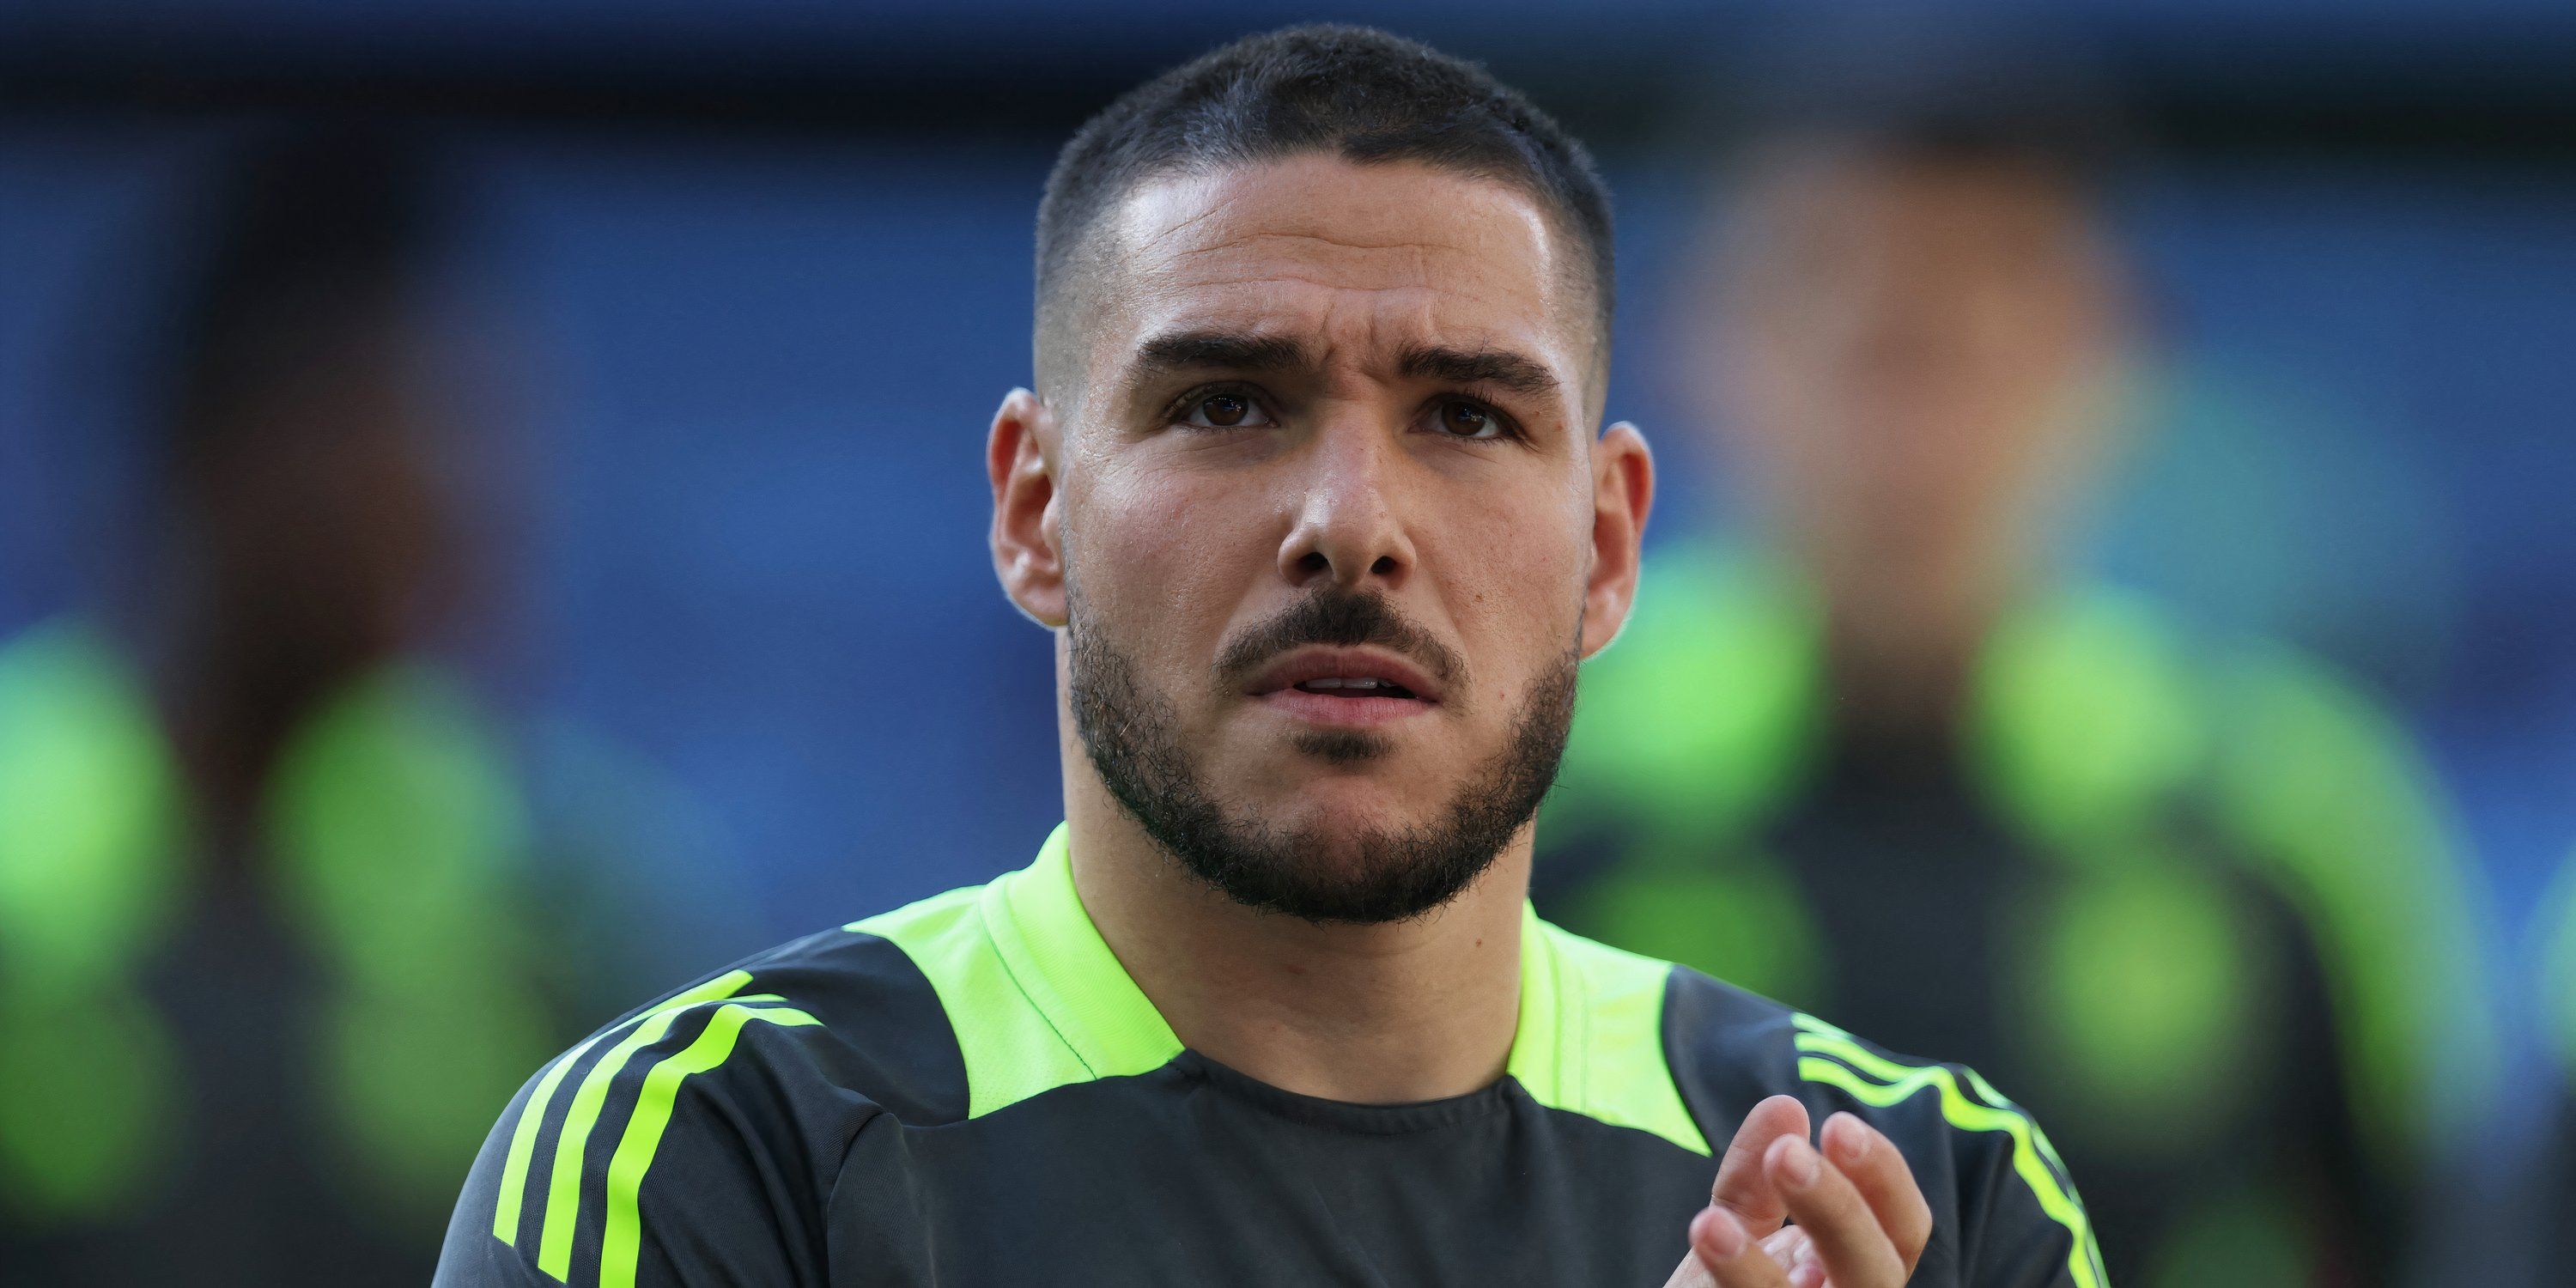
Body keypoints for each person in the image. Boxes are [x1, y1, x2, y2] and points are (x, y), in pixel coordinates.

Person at [436, 26, 2101, 1288]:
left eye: (1463, 416)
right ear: (1034, 512)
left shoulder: (1934, 1203)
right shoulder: (713, 1158)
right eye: (1227, 405)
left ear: (1606, 547)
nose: (1351, 522)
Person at [1536, 59, 2491, 1288]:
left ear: (2112, 355)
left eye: (1978, 336)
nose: (1915, 428)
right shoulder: (1541, 775)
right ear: (1708, 346)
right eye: (1863, 339)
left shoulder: (2295, 814)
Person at [0, 131, 750, 1283]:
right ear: (213, 445)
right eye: (384, 420)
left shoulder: (556, 895)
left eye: (477, 432)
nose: (450, 493)